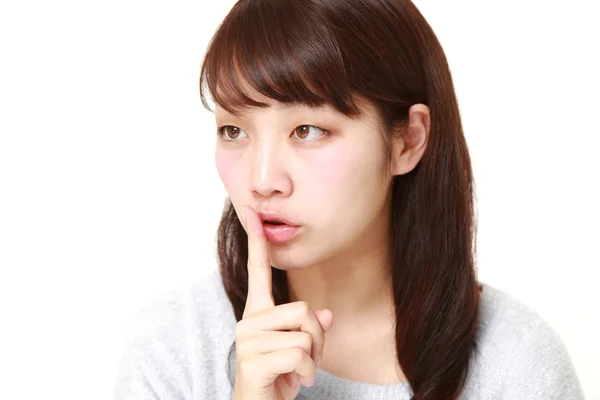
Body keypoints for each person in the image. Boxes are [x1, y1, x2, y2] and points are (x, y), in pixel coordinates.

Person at [114, 0, 585, 399]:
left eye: (308, 130)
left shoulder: (515, 365)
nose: (262, 180)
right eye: (233, 130)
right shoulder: (174, 347)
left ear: (407, 141)